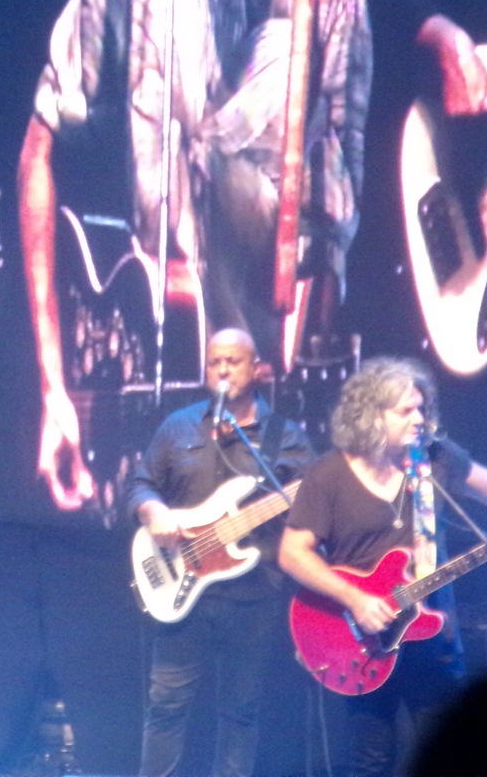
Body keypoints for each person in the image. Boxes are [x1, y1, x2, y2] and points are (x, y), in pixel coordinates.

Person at [17, 0, 371, 511]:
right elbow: (40, 143)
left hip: (249, 447)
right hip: (140, 441)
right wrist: (55, 390)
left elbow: (329, 244)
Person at [279, 357, 487, 777]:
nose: (419, 418)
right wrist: (355, 599)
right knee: (371, 759)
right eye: (405, 411)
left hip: (430, 633)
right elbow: (293, 553)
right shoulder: (329, 475)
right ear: (371, 416)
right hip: (362, 640)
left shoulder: (434, 459)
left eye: (421, 408)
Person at [128, 327, 315, 777]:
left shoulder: (285, 436)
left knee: (241, 711)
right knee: (166, 705)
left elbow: (315, 503)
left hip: (253, 595)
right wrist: (154, 512)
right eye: (215, 362)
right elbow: (141, 485)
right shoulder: (178, 426)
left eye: (233, 361)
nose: (223, 370)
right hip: (180, 588)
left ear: (257, 369)